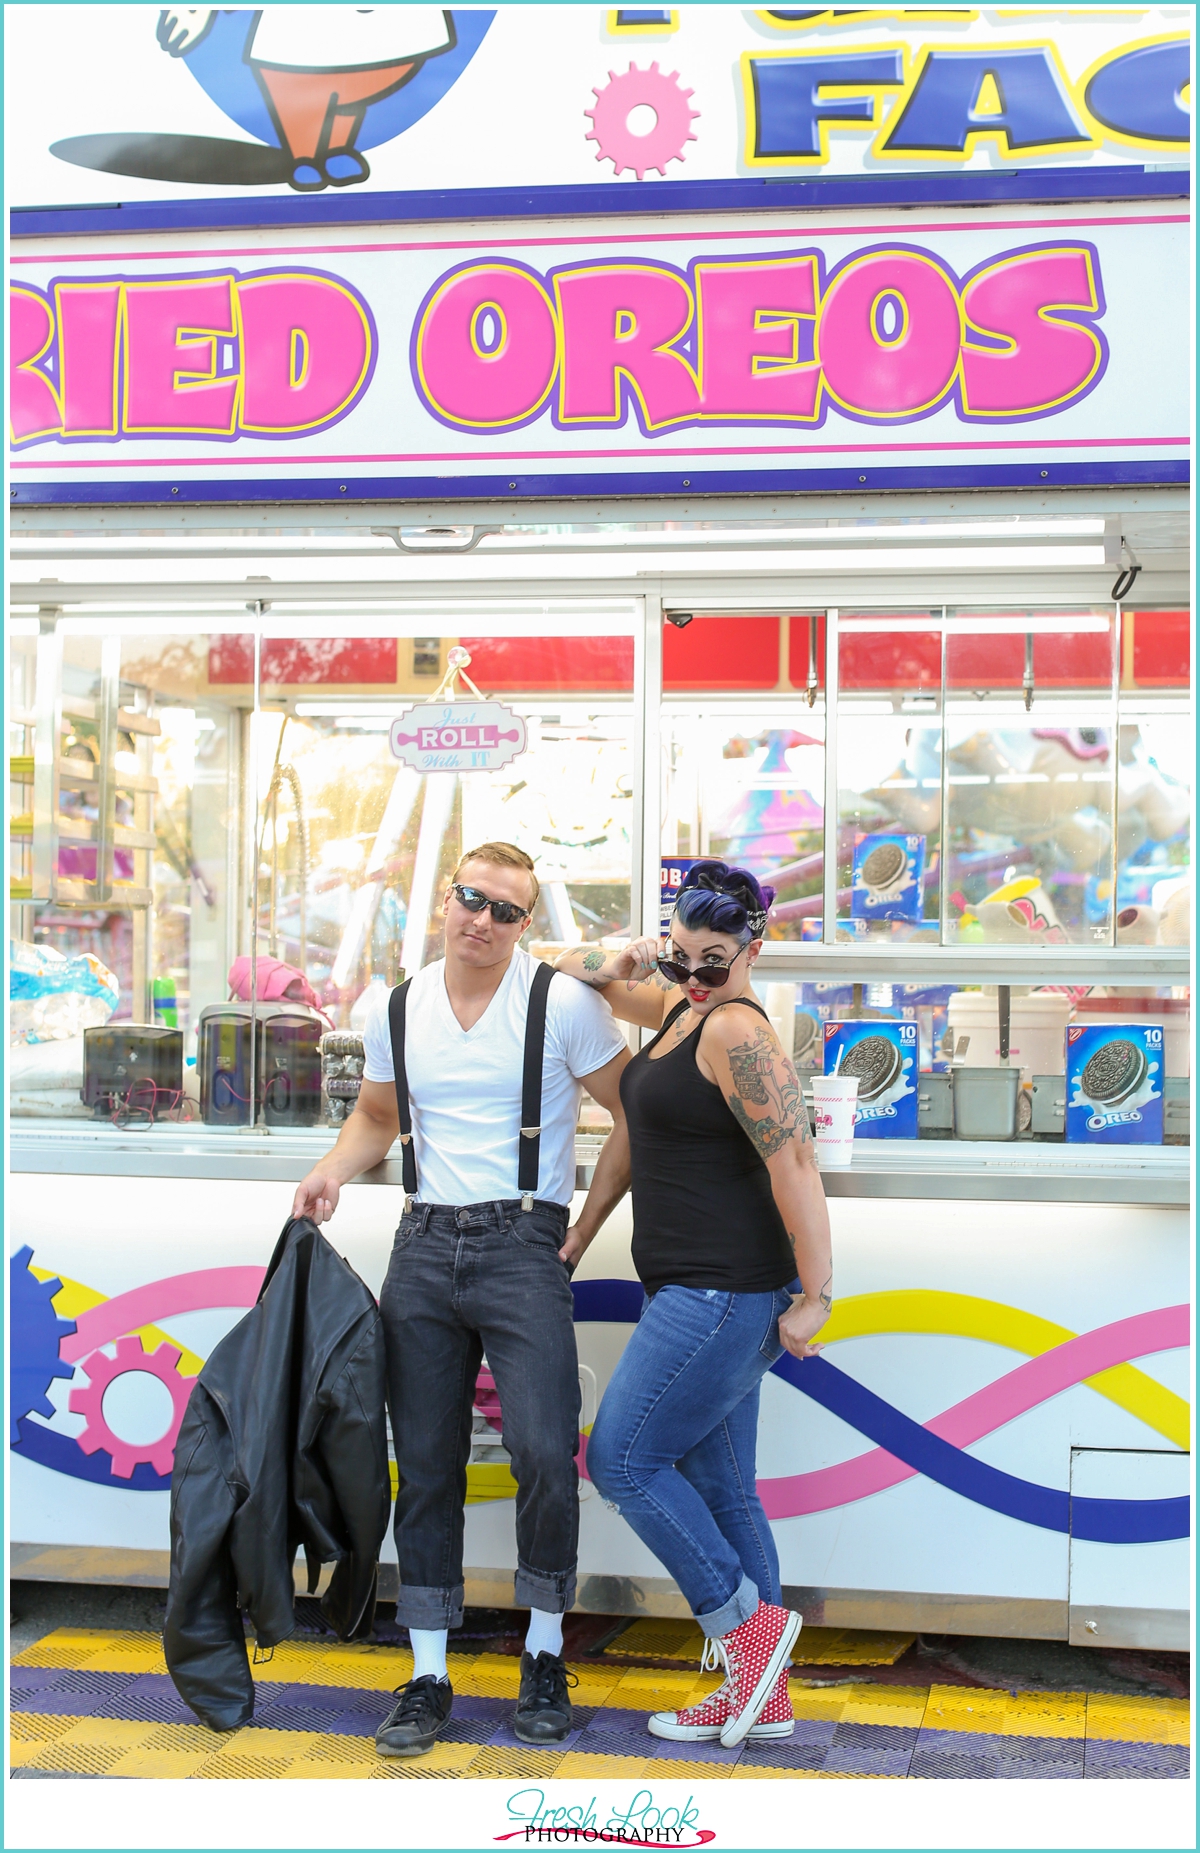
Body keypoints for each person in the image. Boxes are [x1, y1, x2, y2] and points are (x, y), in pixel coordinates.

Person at [293, 842, 631, 1757]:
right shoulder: (394, 1004)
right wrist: (327, 1172)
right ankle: (431, 1668)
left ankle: (546, 1650)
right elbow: (377, 1114)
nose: (481, 919)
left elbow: (630, 1111)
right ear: (448, 899)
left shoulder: (562, 1001)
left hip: (524, 1243)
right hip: (424, 1242)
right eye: (470, 899)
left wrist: (588, 1221)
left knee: (542, 1452)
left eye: (506, 910)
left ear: (529, 924)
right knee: (429, 1462)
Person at [554, 860, 833, 1749]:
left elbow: (796, 1165)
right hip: (688, 1281)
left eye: (715, 960)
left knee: (624, 1460)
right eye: (680, 958)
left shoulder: (739, 1031)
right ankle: (767, 1695)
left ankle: (743, 1629)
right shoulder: (682, 1006)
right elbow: (568, 969)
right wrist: (642, 954)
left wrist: (815, 1294)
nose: (695, 975)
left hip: (724, 1287)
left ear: (757, 947)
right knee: (722, 1486)